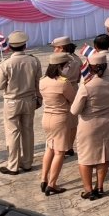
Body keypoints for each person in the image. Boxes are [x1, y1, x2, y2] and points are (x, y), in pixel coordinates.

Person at [71, 52, 109, 200]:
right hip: (108, 122)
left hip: (89, 124)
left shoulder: (87, 85)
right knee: (104, 156)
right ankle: (100, 186)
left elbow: (74, 110)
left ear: (91, 67)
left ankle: (88, 189)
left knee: (85, 158)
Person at [0, 31, 42, 175]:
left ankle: (13, 165)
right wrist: (39, 98)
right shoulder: (34, 60)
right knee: (28, 131)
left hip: (12, 101)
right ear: (25, 45)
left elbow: (0, 85)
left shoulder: (6, 64)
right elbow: (38, 82)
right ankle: (27, 163)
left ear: (10, 47)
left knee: (13, 133)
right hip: (29, 100)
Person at [39, 52, 76, 195]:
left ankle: (44, 179)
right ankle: (52, 184)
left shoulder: (43, 80)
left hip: (46, 117)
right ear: (62, 66)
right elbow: (73, 99)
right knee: (59, 152)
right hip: (59, 118)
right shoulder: (63, 82)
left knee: (49, 148)